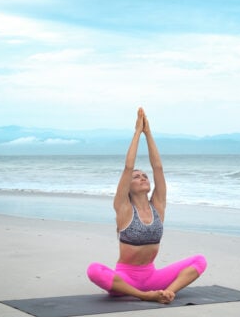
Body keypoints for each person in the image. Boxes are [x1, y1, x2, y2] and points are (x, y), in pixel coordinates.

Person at [87, 108, 206, 304]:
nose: (142, 177)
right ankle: (145, 296)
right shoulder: (124, 208)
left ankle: (167, 292)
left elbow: (158, 167)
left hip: (152, 277)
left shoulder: (157, 206)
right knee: (94, 270)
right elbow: (127, 167)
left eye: (144, 176)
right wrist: (137, 133)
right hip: (125, 280)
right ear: (128, 186)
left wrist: (148, 133)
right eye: (137, 177)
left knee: (200, 261)